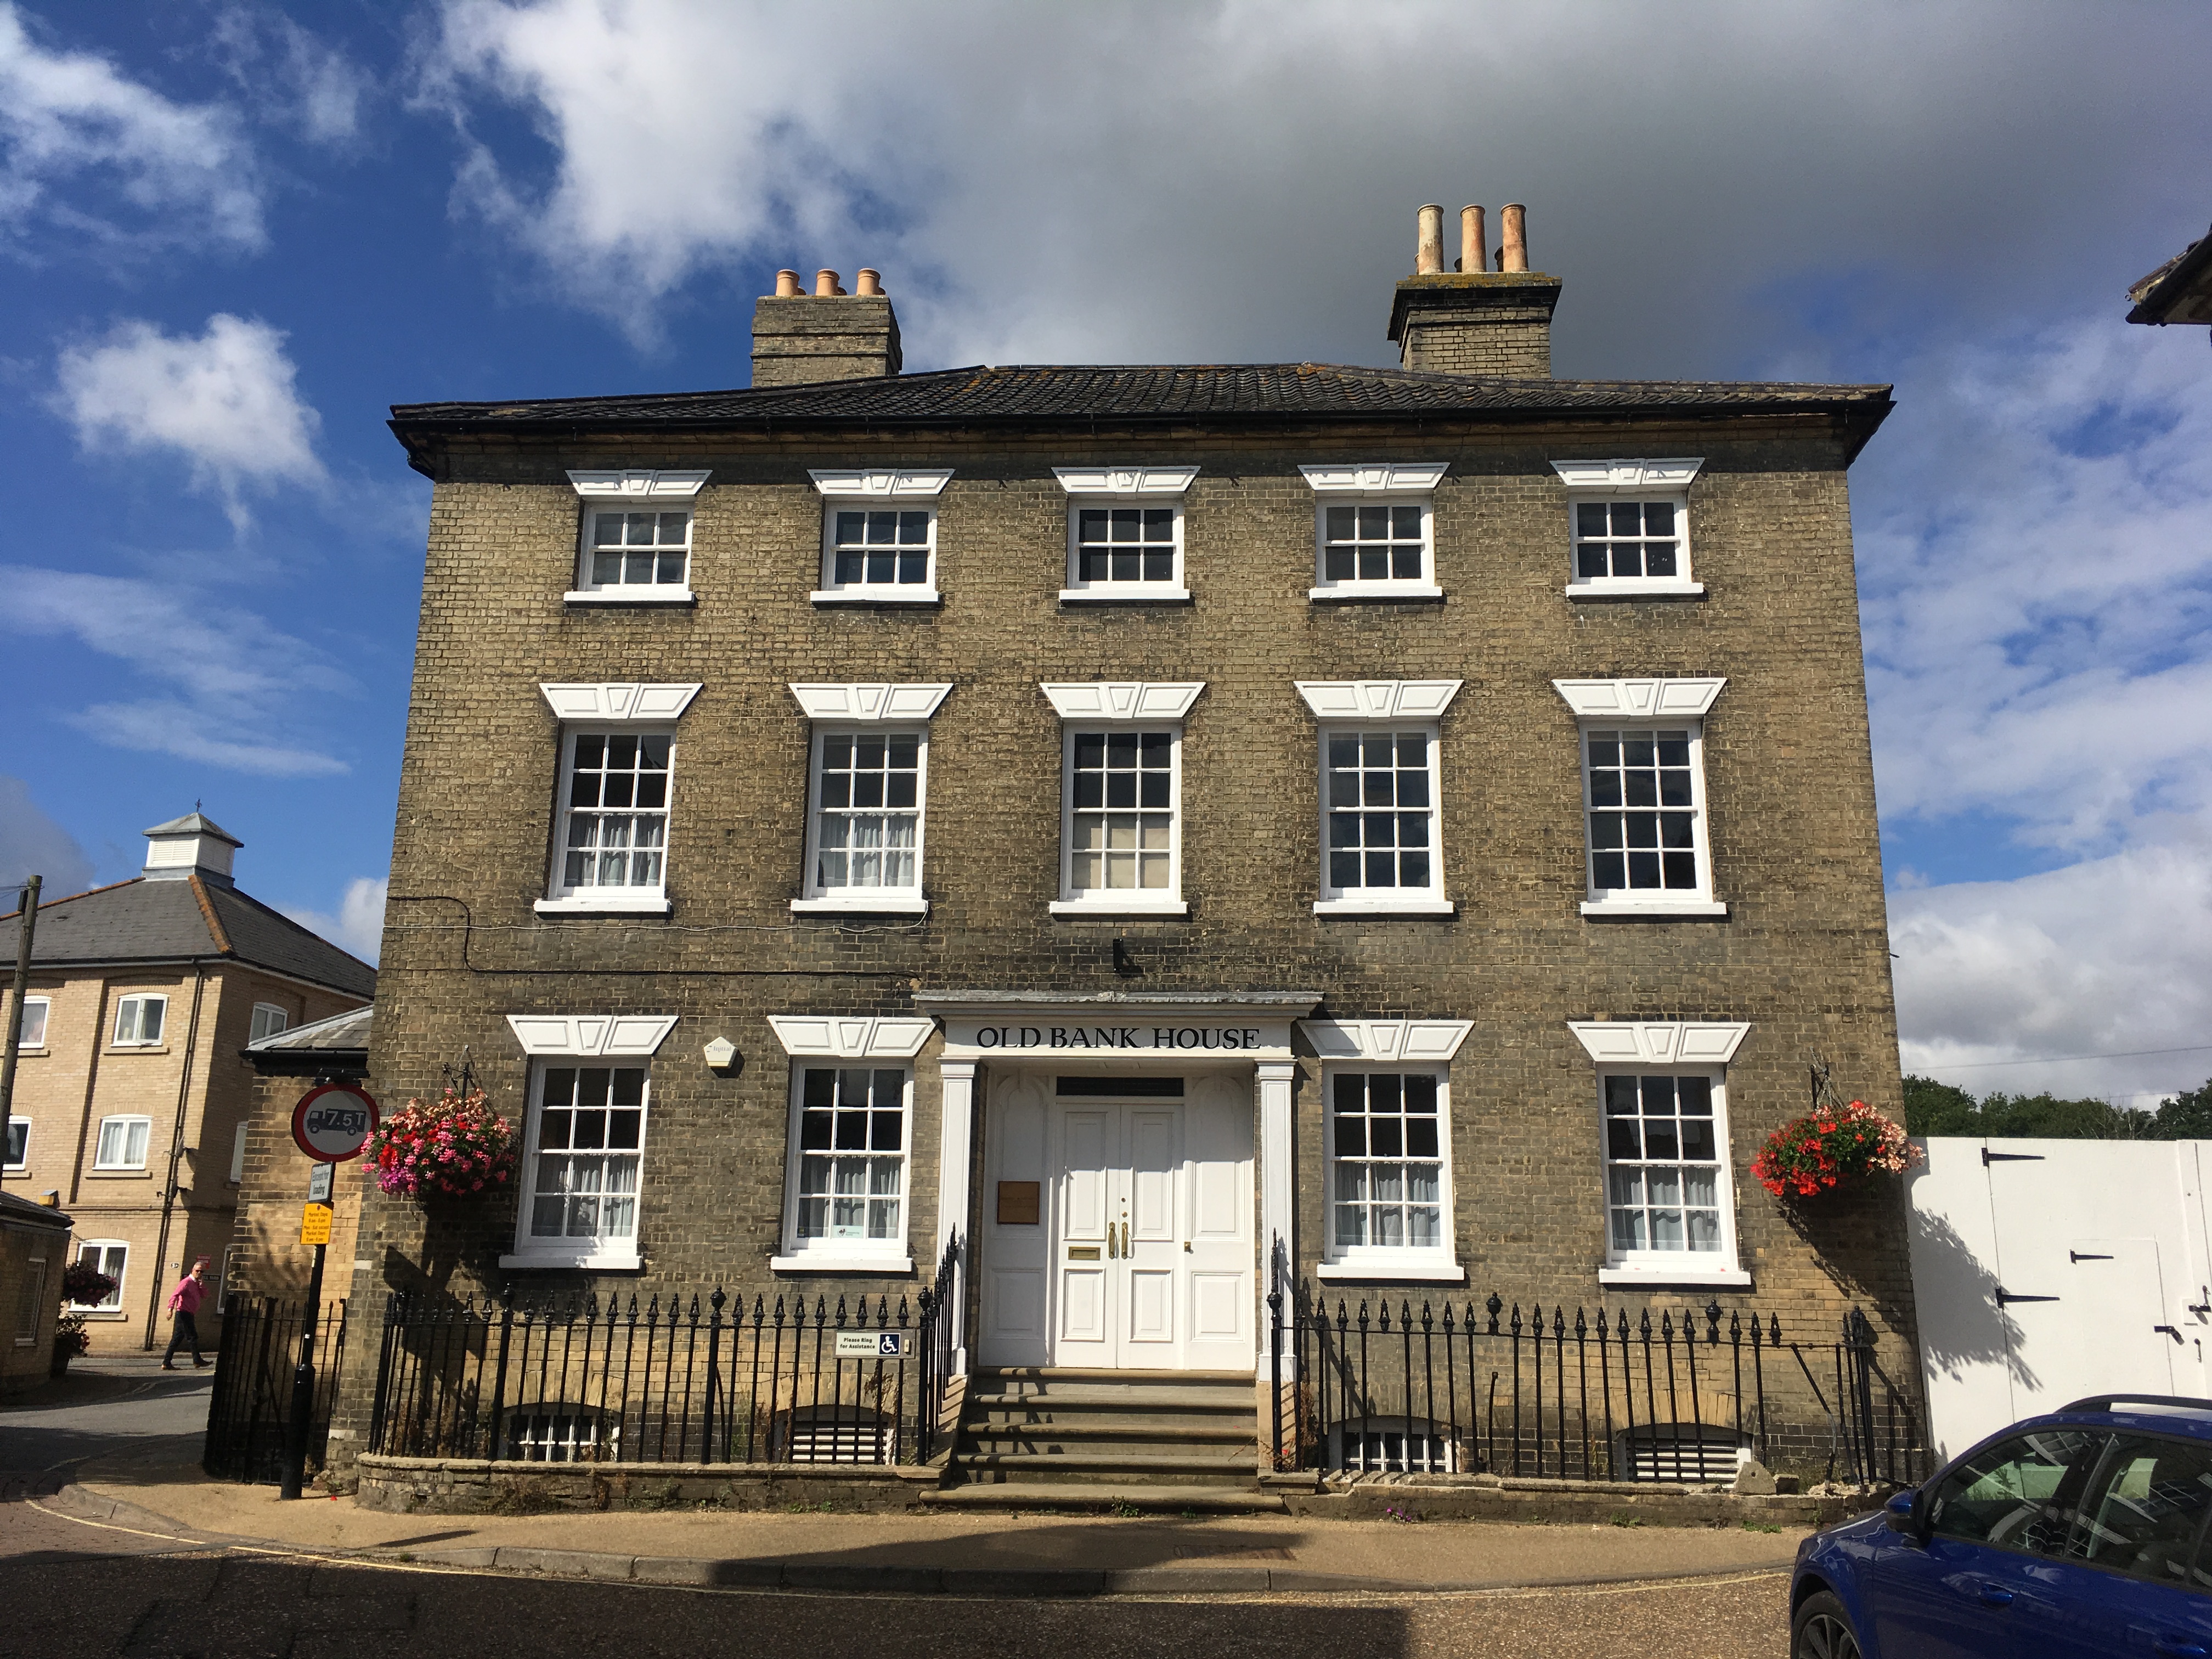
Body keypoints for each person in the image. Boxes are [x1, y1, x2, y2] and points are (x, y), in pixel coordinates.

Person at [162, 1258, 212, 1370]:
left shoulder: (195, 1284)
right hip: (183, 1313)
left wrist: (201, 1285)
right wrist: (170, 1309)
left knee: (178, 1338)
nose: (199, 1273)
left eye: (202, 1272)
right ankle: (197, 1361)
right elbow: (175, 1295)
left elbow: (204, 1295)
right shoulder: (186, 1282)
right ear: (193, 1270)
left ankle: (166, 1362)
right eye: (198, 1271)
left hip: (189, 1313)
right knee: (192, 1337)